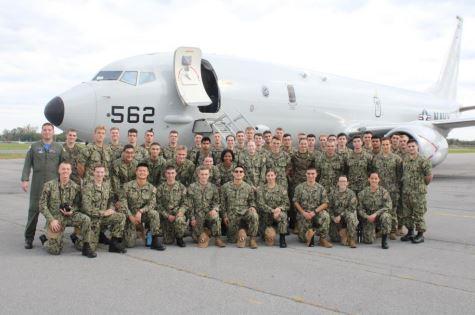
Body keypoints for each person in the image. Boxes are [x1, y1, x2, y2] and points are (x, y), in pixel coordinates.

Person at [38, 162, 96, 257]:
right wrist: (51, 220)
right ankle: (45, 240)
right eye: (63, 169)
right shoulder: (49, 185)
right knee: (55, 250)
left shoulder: (75, 187)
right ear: (59, 170)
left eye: (67, 169)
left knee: (86, 219)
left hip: (70, 216)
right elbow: (42, 205)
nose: (65, 171)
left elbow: (78, 204)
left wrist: (72, 210)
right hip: (56, 218)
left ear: (71, 171)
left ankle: (85, 246)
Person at [21, 122, 63, 249]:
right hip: (37, 185)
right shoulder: (34, 147)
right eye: (44, 130)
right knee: (33, 212)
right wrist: (25, 179)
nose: (47, 132)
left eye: (49, 130)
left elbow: (64, 166)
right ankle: (29, 238)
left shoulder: (59, 148)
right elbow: (27, 164)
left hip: (53, 186)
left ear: (53, 132)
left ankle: (49, 237)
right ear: (42, 132)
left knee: (53, 212)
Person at [81, 165, 126, 253]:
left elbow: (111, 199)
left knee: (121, 217)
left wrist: (111, 209)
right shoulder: (88, 187)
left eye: (102, 172)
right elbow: (86, 208)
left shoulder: (106, 186)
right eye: (97, 172)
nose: (99, 174)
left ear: (104, 173)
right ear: (93, 173)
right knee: (90, 247)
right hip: (92, 219)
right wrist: (103, 213)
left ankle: (114, 244)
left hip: (104, 217)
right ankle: (77, 239)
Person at [120, 163, 165, 250]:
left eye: (144, 171)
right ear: (136, 172)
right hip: (130, 215)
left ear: (148, 173)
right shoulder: (127, 186)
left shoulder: (152, 188)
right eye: (140, 170)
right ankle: (134, 232)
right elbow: (123, 203)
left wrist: (141, 211)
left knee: (154, 213)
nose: (142, 172)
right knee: (129, 244)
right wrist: (130, 216)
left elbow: (152, 204)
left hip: (143, 214)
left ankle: (155, 240)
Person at [400, 140, 433, 244]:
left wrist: (421, 186)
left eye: (413, 146)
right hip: (407, 192)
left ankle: (420, 234)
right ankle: (410, 232)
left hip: (418, 193)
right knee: (407, 214)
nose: (411, 148)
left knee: (418, 214)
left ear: (417, 147)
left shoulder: (423, 160)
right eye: (409, 146)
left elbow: (429, 176)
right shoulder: (405, 159)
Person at [220, 165, 259, 248]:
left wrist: (253, 207)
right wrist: (224, 216)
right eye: (236, 171)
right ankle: (242, 232)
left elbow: (252, 201)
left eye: (241, 171)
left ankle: (252, 239)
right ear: (233, 173)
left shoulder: (248, 187)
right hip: (232, 214)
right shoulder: (225, 187)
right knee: (232, 240)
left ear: (244, 174)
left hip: (245, 212)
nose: (238, 173)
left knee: (254, 215)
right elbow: (222, 203)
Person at [186, 167, 226, 248]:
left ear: (209, 175)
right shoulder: (192, 187)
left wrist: (215, 209)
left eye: (206, 174)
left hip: (209, 213)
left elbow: (217, 202)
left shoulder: (213, 187)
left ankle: (217, 238)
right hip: (198, 214)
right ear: (198, 175)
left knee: (215, 217)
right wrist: (192, 218)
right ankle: (207, 232)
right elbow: (190, 204)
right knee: (197, 239)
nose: (204, 176)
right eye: (202, 174)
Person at [371, 137, 403, 240]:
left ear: (390, 145)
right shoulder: (376, 158)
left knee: (392, 210)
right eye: (383, 145)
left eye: (387, 144)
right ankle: (380, 230)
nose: (385, 146)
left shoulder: (397, 158)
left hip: (392, 189)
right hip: (379, 189)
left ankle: (392, 231)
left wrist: (397, 187)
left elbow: (400, 175)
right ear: (381, 145)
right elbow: (373, 174)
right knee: (378, 209)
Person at [293, 167, 332, 248]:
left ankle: (322, 239)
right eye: (309, 174)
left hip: (316, 213)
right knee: (303, 239)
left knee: (325, 215)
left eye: (313, 174)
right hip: (304, 213)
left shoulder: (321, 188)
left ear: (316, 175)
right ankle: (310, 235)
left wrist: (314, 212)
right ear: (306, 174)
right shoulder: (299, 187)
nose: (310, 176)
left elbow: (325, 203)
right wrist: (303, 213)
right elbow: (295, 202)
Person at [357, 172, 392, 249]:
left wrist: (376, 214)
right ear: (368, 179)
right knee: (368, 241)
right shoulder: (362, 193)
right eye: (372, 178)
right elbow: (359, 208)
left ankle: (384, 239)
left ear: (379, 180)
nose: (374, 180)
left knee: (386, 216)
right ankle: (375, 231)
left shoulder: (384, 192)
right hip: (369, 218)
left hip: (380, 216)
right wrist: (367, 216)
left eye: (376, 178)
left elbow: (388, 206)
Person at [156, 165, 189, 247]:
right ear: (165, 174)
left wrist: (181, 212)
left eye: (172, 173)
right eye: (168, 173)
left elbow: (185, 203)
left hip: (177, 213)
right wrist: (167, 215)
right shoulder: (160, 188)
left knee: (180, 220)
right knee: (168, 241)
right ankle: (177, 231)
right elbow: (158, 204)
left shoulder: (181, 187)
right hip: (166, 216)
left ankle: (180, 238)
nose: (170, 175)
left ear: (176, 174)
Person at [256, 169, 289, 248]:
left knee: (283, 216)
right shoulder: (261, 189)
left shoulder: (282, 189)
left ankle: (282, 239)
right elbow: (260, 204)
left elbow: (287, 204)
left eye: (272, 175)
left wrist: (279, 209)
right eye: (268, 175)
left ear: (275, 175)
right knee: (265, 237)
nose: (270, 177)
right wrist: (273, 211)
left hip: (278, 214)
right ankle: (267, 233)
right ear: (266, 177)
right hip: (265, 216)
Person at [328, 176, 358, 248]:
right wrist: (333, 217)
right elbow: (329, 207)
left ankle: (352, 239)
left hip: (346, 216)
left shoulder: (351, 193)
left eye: (344, 181)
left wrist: (340, 216)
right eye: (341, 181)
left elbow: (352, 208)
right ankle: (343, 232)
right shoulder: (332, 194)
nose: (342, 183)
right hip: (336, 218)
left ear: (347, 183)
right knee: (334, 239)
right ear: (338, 183)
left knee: (351, 216)